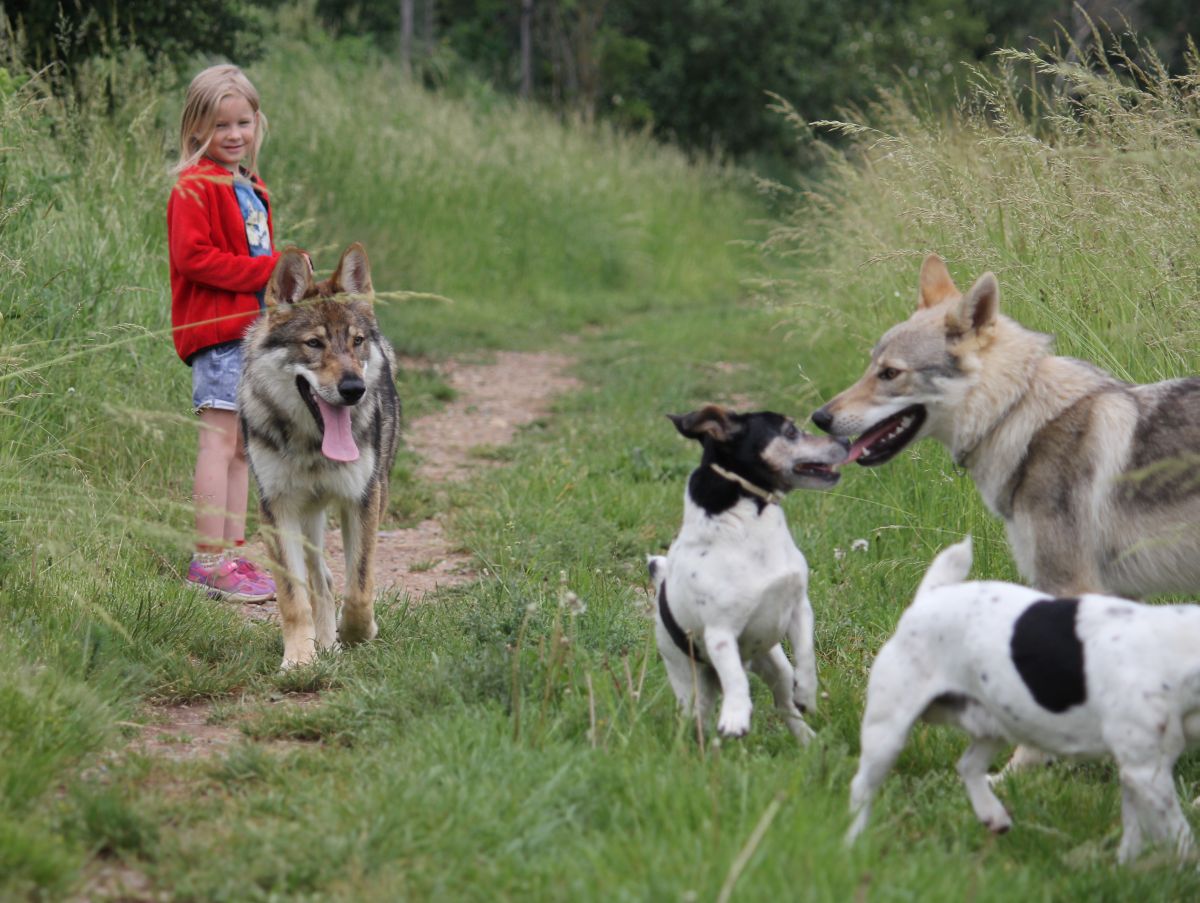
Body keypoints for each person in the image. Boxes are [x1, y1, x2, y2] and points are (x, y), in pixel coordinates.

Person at [168, 64, 279, 602]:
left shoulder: (248, 185)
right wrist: (267, 273)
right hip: (218, 334)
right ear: (196, 131)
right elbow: (192, 258)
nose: (234, 135)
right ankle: (206, 561)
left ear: (258, 122)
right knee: (218, 440)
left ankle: (230, 556)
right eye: (220, 126)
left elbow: (255, 253)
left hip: (252, 333)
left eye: (244, 122)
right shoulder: (194, 186)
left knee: (240, 447)